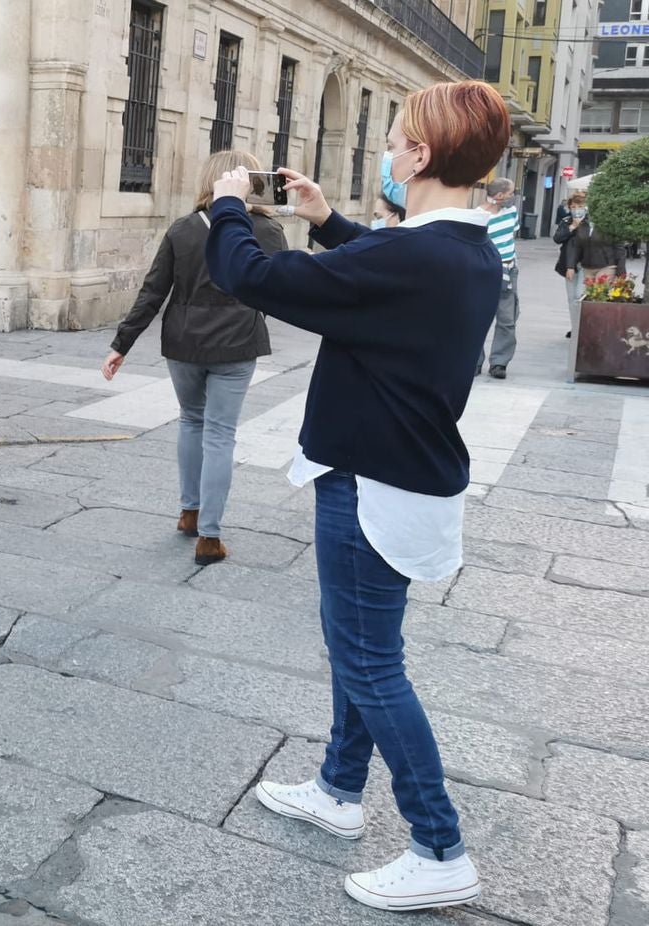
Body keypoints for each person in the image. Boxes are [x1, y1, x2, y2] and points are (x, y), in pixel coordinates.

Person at [204, 79, 510, 912]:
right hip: (399, 475)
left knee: (373, 666)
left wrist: (231, 205)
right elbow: (377, 284)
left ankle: (439, 844)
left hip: (374, 485)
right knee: (359, 653)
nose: (391, 147)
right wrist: (327, 220)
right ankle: (339, 791)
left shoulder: (408, 255)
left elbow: (251, 276)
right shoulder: (467, 250)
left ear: (418, 155)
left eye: (399, 135)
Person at [101, 151, 288, 566]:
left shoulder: (183, 229)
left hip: (183, 342)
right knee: (220, 433)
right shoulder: (268, 230)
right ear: (253, 182)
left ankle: (189, 513)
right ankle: (210, 537)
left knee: (191, 420)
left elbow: (153, 292)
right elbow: (277, 289)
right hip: (238, 343)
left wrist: (121, 345)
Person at [475, 177, 520, 379]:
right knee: (478, 317)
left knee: (507, 319)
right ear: (500, 195)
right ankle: (474, 361)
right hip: (486, 272)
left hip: (510, 270)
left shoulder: (511, 212)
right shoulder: (478, 217)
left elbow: (511, 236)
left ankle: (499, 363)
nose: (513, 197)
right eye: (511, 193)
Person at [553, 191, 590, 338]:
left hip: (586, 264)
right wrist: (572, 227)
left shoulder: (590, 222)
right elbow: (558, 238)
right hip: (568, 265)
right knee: (571, 299)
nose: (576, 209)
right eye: (573, 206)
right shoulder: (566, 221)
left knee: (579, 296)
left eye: (580, 205)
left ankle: (582, 328)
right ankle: (575, 327)